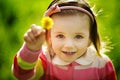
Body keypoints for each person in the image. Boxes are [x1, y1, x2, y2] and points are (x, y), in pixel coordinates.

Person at [12, 0, 117, 80]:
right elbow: (22, 75)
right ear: (49, 36)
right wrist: (31, 49)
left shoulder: (102, 64)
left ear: (90, 38)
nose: (69, 45)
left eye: (78, 36)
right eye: (60, 36)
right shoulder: (45, 60)